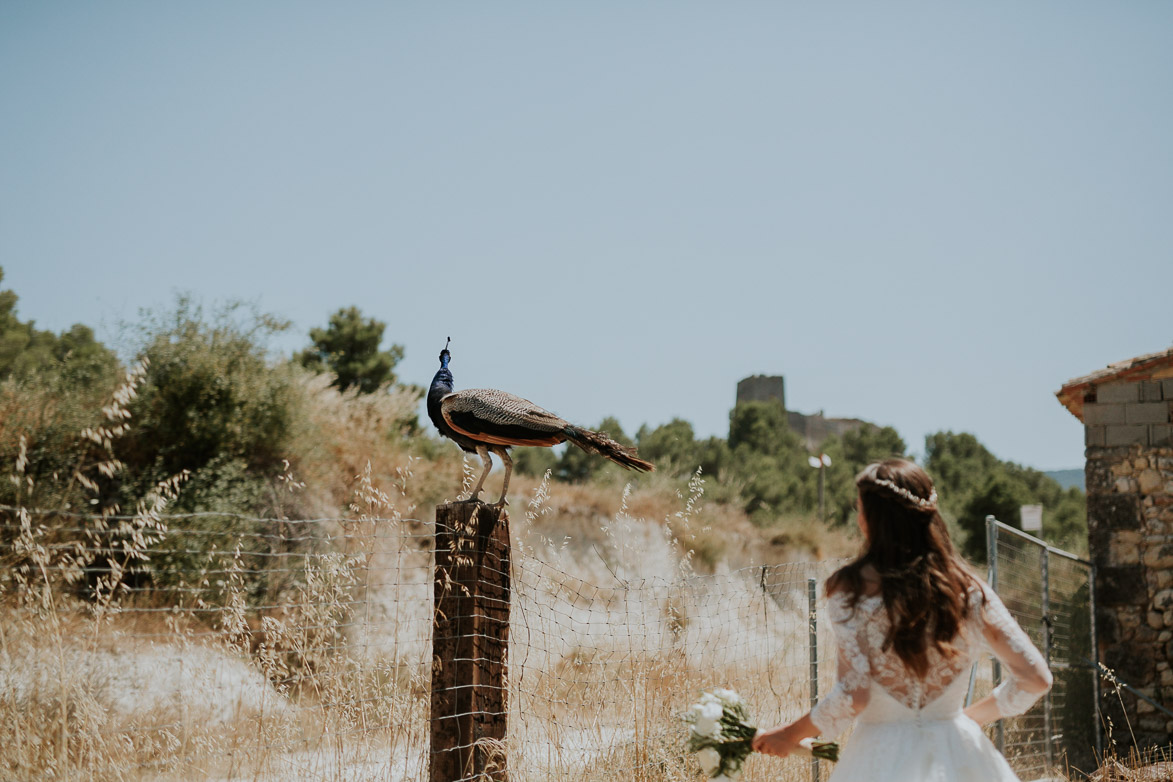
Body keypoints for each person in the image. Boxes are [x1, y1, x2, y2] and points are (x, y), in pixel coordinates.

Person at [752, 458, 1053, 781]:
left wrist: (789, 734)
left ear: (871, 519)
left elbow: (853, 696)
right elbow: (1036, 679)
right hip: (959, 753)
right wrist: (963, 719)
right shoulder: (968, 590)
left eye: (859, 509)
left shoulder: (851, 588)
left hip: (878, 757)